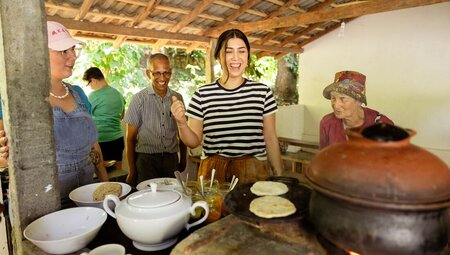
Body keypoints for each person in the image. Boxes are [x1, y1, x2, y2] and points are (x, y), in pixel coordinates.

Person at [0, 21, 109, 204]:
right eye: (64, 51)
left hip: (85, 196)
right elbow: (4, 157)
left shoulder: (79, 93)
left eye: (73, 49)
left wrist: (106, 186)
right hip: (42, 203)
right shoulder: (16, 98)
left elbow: (93, 147)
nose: (73, 56)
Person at [170, 29, 284, 185]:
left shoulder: (262, 93)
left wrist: (279, 177)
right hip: (213, 176)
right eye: (229, 51)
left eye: (241, 51)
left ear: (248, 56)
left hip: (254, 175)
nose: (235, 58)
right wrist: (181, 123)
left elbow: (270, 138)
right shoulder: (202, 95)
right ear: (219, 56)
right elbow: (193, 141)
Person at [123, 53, 187, 185]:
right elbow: (130, 139)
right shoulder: (139, 99)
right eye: (157, 73)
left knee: (172, 198)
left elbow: (182, 131)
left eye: (166, 73)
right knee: (149, 200)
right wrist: (132, 170)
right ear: (148, 74)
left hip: (171, 160)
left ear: (171, 72)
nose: (162, 78)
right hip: (146, 162)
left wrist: (184, 159)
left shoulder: (178, 98)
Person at [320, 70, 394, 149]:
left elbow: (390, 158)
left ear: (359, 101)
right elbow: (323, 156)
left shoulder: (382, 124)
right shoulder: (328, 123)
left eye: (343, 99)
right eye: (333, 98)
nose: (336, 105)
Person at [83, 67, 125, 170]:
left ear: (93, 80)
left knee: (102, 175)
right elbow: (122, 115)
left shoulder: (94, 96)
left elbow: (85, 118)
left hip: (102, 141)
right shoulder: (118, 94)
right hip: (118, 140)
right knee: (118, 173)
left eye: (89, 84)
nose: (90, 87)